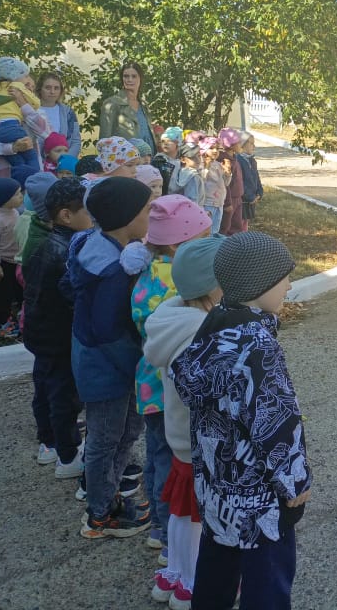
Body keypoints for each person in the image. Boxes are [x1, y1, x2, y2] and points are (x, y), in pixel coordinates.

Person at [171, 232, 311, 610]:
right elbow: (277, 421)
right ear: (259, 283)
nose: (289, 285)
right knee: (268, 581)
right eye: (283, 277)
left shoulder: (214, 327)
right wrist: (295, 480)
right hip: (260, 497)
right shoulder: (256, 347)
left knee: (217, 565)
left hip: (218, 489)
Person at [64, 176, 154, 538]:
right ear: (126, 217)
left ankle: (109, 493)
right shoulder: (112, 271)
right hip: (108, 366)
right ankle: (101, 512)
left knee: (129, 427)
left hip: (112, 362)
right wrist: (138, 365)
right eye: (148, 209)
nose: (153, 215)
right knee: (106, 437)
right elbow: (107, 330)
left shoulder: (103, 249)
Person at [126, 194, 212, 566]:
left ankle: (160, 529)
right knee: (175, 465)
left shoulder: (148, 273)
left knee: (156, 454)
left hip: (149, 381)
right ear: (179, 246)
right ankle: (171, 538)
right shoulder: (181, 284)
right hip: (171, 388)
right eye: (203, 241)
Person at [144, 236, 224, 610]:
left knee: (181, 512)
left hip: (179, 438)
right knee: (198, 518)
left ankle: (173, 574)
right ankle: (193, 585)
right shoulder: (201, 333)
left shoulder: (173, 319)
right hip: (199, 441)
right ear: (212, 287)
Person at [22, 178, 93, 476]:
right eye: (88, 211)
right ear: (66, 215)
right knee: (64, 395)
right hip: (58, 337)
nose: (94, 217)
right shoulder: (65, 252)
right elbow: (71, 299)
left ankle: (49, 439)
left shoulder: (46, 244)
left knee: (45, 385)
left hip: (40, 333)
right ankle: (67, 455)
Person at [0, 57, 43, 182]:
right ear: (16, 76)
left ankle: (21, 183)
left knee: (18, 161)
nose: (27, 80)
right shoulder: (16, 86)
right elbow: (36, 103)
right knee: (31, 156)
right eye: (25, 76)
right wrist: (24, 98)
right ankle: (36, 181)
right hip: (11, 126)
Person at [0, 177, 25, 337]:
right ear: (4, 199)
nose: (21, 196)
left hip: (16, 260)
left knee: (18, 290)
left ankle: (17, 317)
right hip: (3, 264)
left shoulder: (14, 212)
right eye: (16, 194)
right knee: (3, 295)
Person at [97, 62, 157, 153]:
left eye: (134, 76)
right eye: (126, 76)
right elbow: (104, 141)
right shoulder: (111, 103)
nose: (129, 80)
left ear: (140, 78)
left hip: (148, 159)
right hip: (126, 161)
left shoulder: (144, 105)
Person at [35, 71, 82, 157]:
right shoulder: (30, 111)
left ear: (61, 91)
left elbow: (76, 141)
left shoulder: (68, 112)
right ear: (39, 89)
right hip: (38, 163)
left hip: (64, 164)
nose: (52, 92)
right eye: (48, 88)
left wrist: (65, 160)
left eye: (56, 88)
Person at [216, 128, 246, 235]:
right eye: (238, 142)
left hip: (238, 198)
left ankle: (235, 247)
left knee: (237, 226)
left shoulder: (234, 158)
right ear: (231, 145)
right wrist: (227, 203)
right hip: (229, 200)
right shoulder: (225, 161)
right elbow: (225, 184)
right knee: (225, 227)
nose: (241, 145)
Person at [238, 132, 263, 229]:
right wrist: (250, 196)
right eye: (251, 143)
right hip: (243, 201)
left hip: (251, 200)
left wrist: (259, 192)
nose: (254, 146)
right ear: (243, 144)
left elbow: (256, 177)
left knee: (246, 224)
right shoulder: (238, 161)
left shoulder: (252, 161)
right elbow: (240, 182)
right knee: (240, 225)